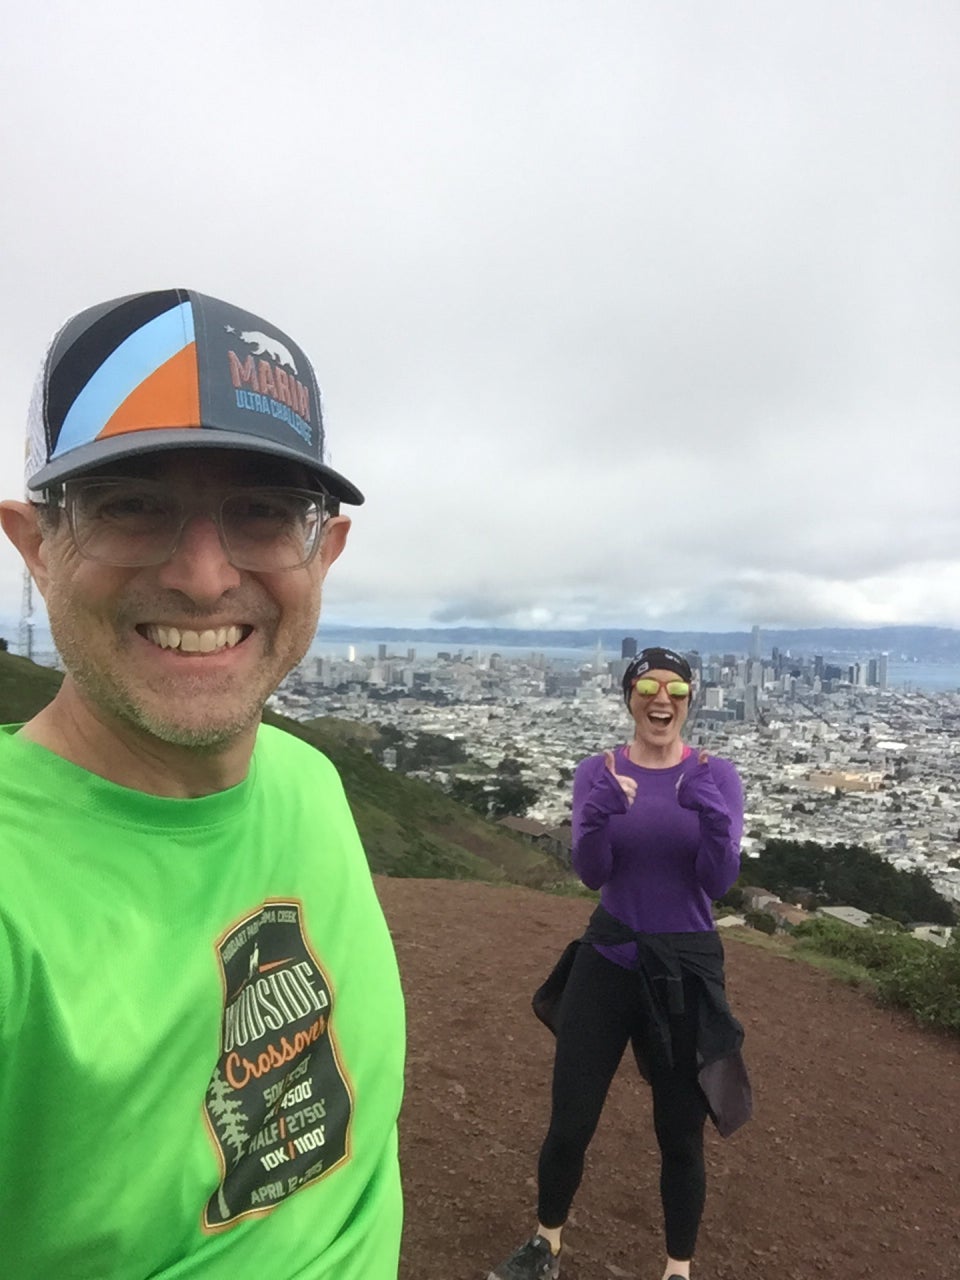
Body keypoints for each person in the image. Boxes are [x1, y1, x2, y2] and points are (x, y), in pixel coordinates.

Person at [0, 289, 405, 1279]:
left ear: (328, 548)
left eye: (264, 511)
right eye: (132, 503)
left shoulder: (308, 780)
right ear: (36, 545)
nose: (205, 574)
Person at [488, 646, 750, 1280]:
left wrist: (714, 819)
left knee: (679, 1133)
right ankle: (546, 1243)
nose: (662, 700)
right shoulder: (596, 771)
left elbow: (716, 884)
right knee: (570, 1119)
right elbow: (592, 874)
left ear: (692, 699)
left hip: (683, 968)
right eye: (648, 687)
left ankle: (677, 1267)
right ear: (628, 695)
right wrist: (598, 815)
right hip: (608, 959)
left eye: (676, 690)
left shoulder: (720, 774)